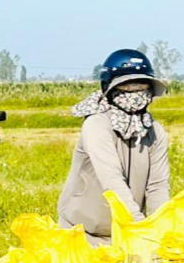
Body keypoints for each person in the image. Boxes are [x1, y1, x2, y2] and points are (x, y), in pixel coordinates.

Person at [58, 48, 171, 246]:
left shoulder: (154, 131)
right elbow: (112, 180)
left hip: (125, 233)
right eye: (127, 87)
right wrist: (139, 227)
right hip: (83, 234)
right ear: (108, 89)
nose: (135, 94)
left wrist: (160, 231)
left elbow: (157, 186)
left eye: (141, 87)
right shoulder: (97, 125)